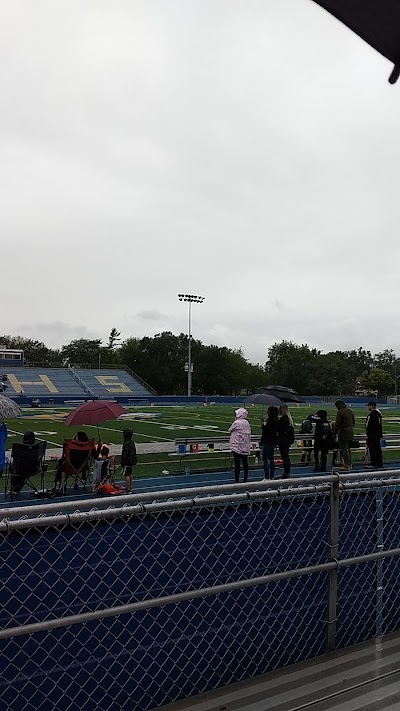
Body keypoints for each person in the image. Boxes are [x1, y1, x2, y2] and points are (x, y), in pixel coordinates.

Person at [229, 408, 251, 483]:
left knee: (237, 464)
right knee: (245, 463)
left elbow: (230, 430)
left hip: (237, 446)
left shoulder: (237, 422)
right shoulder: (247, 423)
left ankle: (237, 480)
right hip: (245, 445)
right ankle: (245, 479)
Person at [333, 400, 355, 471]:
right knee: (348, 449)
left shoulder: (340, 412)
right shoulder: (350, 411)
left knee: (344, 449)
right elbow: (353, 422)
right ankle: (349, 463)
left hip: (343, 433)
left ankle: (347, 465)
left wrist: (334, 432)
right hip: (350, 432)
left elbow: (337, 424)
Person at [260, 406, 279, 479]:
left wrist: (263, 425)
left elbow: (266, 431)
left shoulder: (270, 420)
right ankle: (272, 476)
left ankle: (267, 477)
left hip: (267, 441)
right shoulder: (276, 420)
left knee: (265, 459)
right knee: (271, 459)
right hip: (273, 441)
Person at [365, 401, 383, 469]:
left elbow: (367, 426)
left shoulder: (371, 415)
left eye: (369, 406)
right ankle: (379, 463)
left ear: (371, 406)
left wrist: (367, 433)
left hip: (372, 435)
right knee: (378, 449)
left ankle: (373, 463)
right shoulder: (379, 414)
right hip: (378, 434)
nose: (368, 407)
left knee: (372, 449)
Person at [278, 405, 294, 478]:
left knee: (285, 457)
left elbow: (280, 429)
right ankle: (287, 472)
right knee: (286, 457)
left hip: (283, 440)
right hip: (287, 440)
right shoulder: (289, 419)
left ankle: (286, 472)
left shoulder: (283, 419)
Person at [121, 428, 137, 493]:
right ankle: (130, 486)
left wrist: (123, 461)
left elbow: (125, 453)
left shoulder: (126, 443)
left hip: (127, 461)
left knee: (126, 474)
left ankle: (128, 489)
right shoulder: (132, 442)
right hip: (131, 460)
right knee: (130, 473)